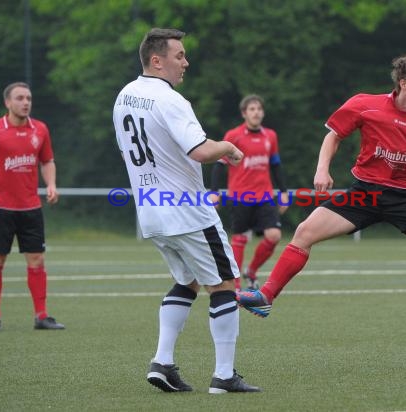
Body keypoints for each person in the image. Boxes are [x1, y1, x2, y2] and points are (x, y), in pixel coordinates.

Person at [237, 54, 406, 354]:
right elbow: (334, 136)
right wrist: (322, 169)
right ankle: (266, 297)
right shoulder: (364, 104)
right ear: (403, 83)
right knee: (304, 231)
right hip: (365, 194)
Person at [112, 28, 261, 393]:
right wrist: (228, 146)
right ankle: (224, 377)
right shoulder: (171, 100)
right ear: (157, 60)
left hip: (151, 209)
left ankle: (162, 363)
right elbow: (199, 150)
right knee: (225, 284)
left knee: (188, 280)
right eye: (179, 55)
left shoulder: (124, 96)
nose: (186, 62)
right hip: (187, 210)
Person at [0, 82, 65, 332]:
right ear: (8, 103)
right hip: (0, 208)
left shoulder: (40, 129)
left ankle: (41, 316)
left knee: (36, 260)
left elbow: (47, 161)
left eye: (29, 98)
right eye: (20, 98)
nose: (26, 102)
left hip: (30, 208)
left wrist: (52, 184)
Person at [210, 94, 288, 290]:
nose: (256, 112)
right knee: (240, 238)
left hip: (265, 196)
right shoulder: (233, 136)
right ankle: (235, 284)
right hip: (241, 195)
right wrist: (214, 191)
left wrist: (284, 192)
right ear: (244, 113)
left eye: (259, 109)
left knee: (274, 235)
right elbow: (219, 165)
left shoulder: (270, 136)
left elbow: (276, 165)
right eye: (252, 109)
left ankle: (251, 271)